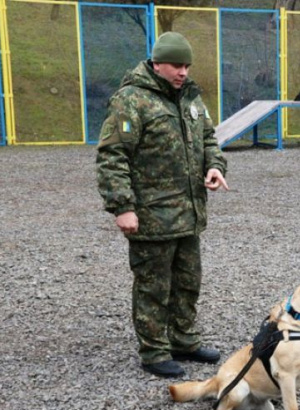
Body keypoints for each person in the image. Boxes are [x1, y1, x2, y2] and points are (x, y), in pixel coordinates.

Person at [96, 32, 229, 377]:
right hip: (151, 216)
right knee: (154, 285)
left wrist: (215, 166)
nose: (183, 72)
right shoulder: (131, 101)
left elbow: (209, 139)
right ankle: (154, 351)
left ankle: (184, 340)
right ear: (156, 64)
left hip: (188, 212)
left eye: (186, 65)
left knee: (188, 281)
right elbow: (113, 155)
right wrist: (122, 206)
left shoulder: (192, 100)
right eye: (175, 65)